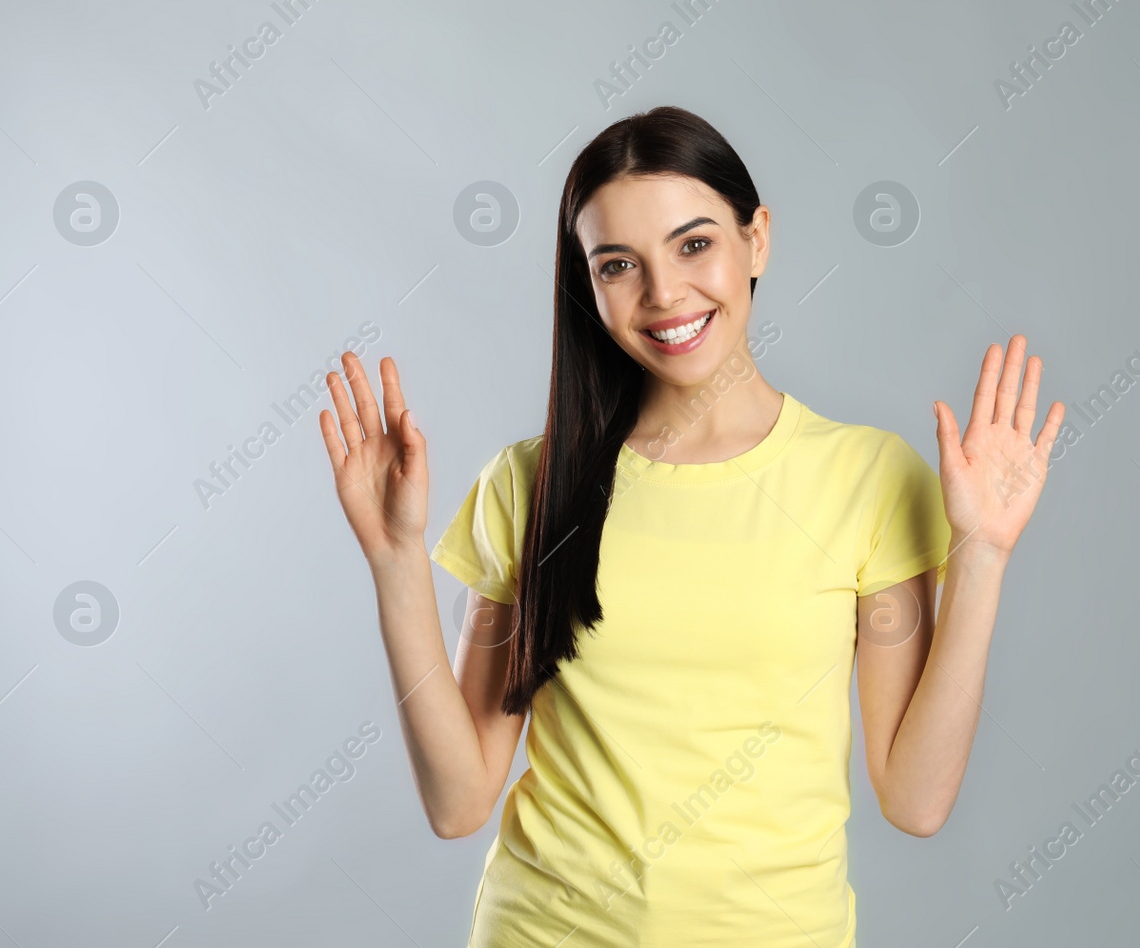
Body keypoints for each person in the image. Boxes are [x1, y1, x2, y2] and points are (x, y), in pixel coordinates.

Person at [319, 105, 1064, 947]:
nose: (665, 293)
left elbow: (916, 798)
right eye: (617, 264)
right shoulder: (529, 486)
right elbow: (459, 803)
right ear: (587, 284)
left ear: (758, 239)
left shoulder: (869, 479)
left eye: (695, 243)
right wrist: (394, 560)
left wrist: (984, 556)